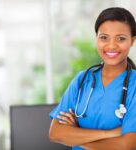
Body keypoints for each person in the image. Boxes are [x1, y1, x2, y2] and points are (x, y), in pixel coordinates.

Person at [49, 7, 136, 150]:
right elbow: (55, 133)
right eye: (104, 37)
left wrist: (74, 137)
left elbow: (127, 145)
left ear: (132, 41)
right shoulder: (82, 79)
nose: (112, 45)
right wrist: (110, 133)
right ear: (96, 38)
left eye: (120, 38)